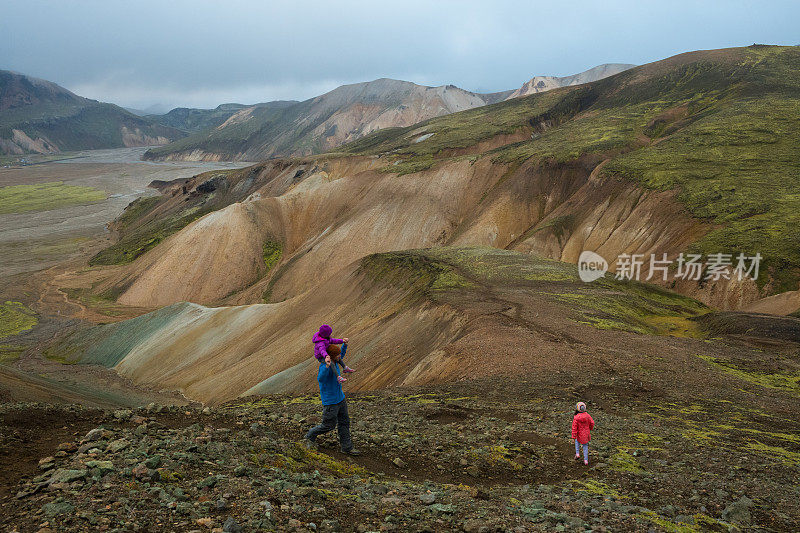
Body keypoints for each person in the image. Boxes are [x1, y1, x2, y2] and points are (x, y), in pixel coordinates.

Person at [305, 347, 361, 455]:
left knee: (344, 422)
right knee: (328, 426)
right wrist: (326, 365)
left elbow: (341, 354)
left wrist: (344, 345)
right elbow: (320, 378)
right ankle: (310, 435)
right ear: (331, 356)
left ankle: (346, 447)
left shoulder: (336, 362)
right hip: (331, 403)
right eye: (338, 355)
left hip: (341, 399)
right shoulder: (324, 366)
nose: (340, 357)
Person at [572, 401, 595, 466]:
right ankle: (586, 460)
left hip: (579, 434)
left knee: (577, 441)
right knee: (585, 446)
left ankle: (577, 453)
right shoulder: (587, 416)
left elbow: (574, 428)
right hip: (586, 433)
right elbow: (592, 423)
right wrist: (590, 428)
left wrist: (573, 436)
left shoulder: (576, 417)